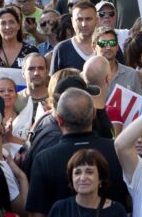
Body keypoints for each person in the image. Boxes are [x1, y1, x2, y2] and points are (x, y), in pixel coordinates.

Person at [25, 87, 129, 216]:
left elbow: (37, 213)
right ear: (94, 114)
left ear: (59, 119)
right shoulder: (118, 150)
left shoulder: (43, 159)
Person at [49, 149, 128, 216]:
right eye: (77, 173)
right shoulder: (60, 209)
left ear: (100, 178)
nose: (83, 178)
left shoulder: (116, 211)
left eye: (89, 172)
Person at [50, 2, 99, 73]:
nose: (84, 24)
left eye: (88, 19)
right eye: (79, 19)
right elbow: (54, 82)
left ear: (97, 20)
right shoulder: (62, 49)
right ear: (72, 22)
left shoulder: (108, 45)